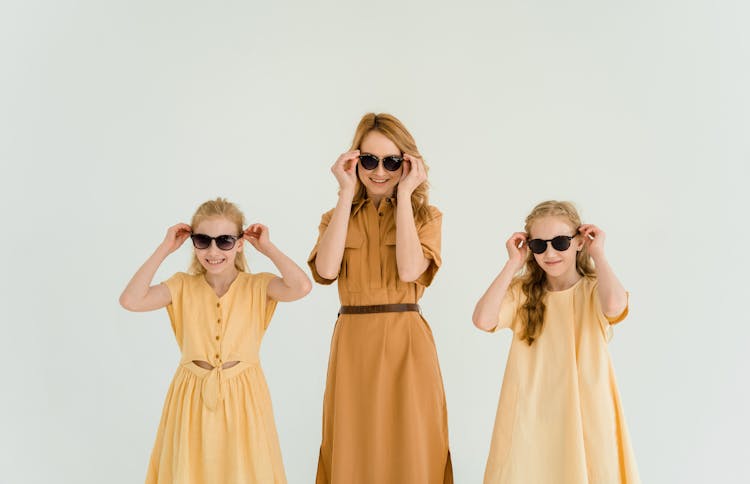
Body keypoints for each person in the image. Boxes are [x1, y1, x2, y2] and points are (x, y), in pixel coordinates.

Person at [119, 197, 311, 484]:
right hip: (191, 394)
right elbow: (131, 300)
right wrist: (165, 249)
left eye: (224, 241)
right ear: (192, 242)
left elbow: (301, 286)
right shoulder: (181, 285)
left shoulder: (258, 285)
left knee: (246, 470)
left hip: (244, 394)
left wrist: (268, 248)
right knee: (190, 469)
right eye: (202, 240)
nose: (213, 251)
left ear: (240, 242)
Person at [309, 113, 453, 483]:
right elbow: (325, 270)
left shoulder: (425, 216)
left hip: (407, 342)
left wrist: (404, 196)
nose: (379, 171)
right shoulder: (337, 215)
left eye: (392, 162)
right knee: (353, 447)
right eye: (369, 160)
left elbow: (409, 271)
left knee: (413, 445)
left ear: (407, 165)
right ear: (355, 161)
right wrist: (345, 193)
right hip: (353, 343)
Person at [473, 200, 639, 483]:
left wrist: (598, 253)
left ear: (578, 242)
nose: (550, 253)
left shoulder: (594, 289)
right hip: (532, 413)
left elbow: (614, 306)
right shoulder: (523, 293)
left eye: (560, 242)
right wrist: (513, 263)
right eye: (539, 245)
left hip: (585, 411)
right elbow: (483, 319)